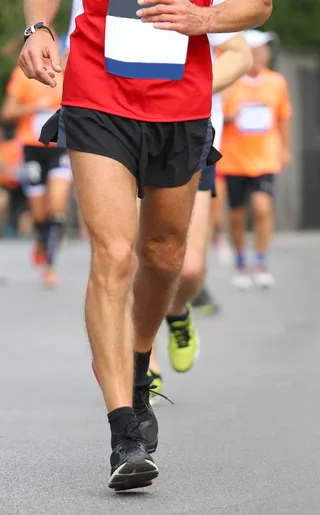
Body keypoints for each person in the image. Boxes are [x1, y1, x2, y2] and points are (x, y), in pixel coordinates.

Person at [19, 0, 272, 491]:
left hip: (181, 106)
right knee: (114, 253)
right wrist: (38, 26)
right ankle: (123, 432)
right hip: (97, 98)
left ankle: (138, 367)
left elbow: (259, 6)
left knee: (164, 254)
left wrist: (210, 20)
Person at [148, 20, 254, 395]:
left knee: (188, 269)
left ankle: (177, 312)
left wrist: (184, 92)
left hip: (192, 135)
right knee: (132, 259)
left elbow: (241, 54)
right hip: (126, 135)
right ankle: (145, 365)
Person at [218, 29, 291, 290]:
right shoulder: (229, 81)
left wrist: (285, 148)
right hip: (234, 159)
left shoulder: (276, 82)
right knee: (237, 215)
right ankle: (240, 260)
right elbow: (215, 115)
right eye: (258, 49)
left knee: (262, 206)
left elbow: (283, 116)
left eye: (265, 49)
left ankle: (260, 261)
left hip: (264, 157)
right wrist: (231, 117)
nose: (263, 54)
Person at [0, 57, 73, 287]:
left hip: (59, 148)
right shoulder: (23, 74)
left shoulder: (66, 72)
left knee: (58, 205)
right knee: (39, 214)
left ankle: (50, 266)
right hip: (32, 150)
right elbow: (7, 112)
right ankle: (42, 239)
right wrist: (35, 106)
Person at [0, 126, 32, 238]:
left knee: (26, 214)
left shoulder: (23, 147)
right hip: (4, 185)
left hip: (23, 186)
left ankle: (24, 236)